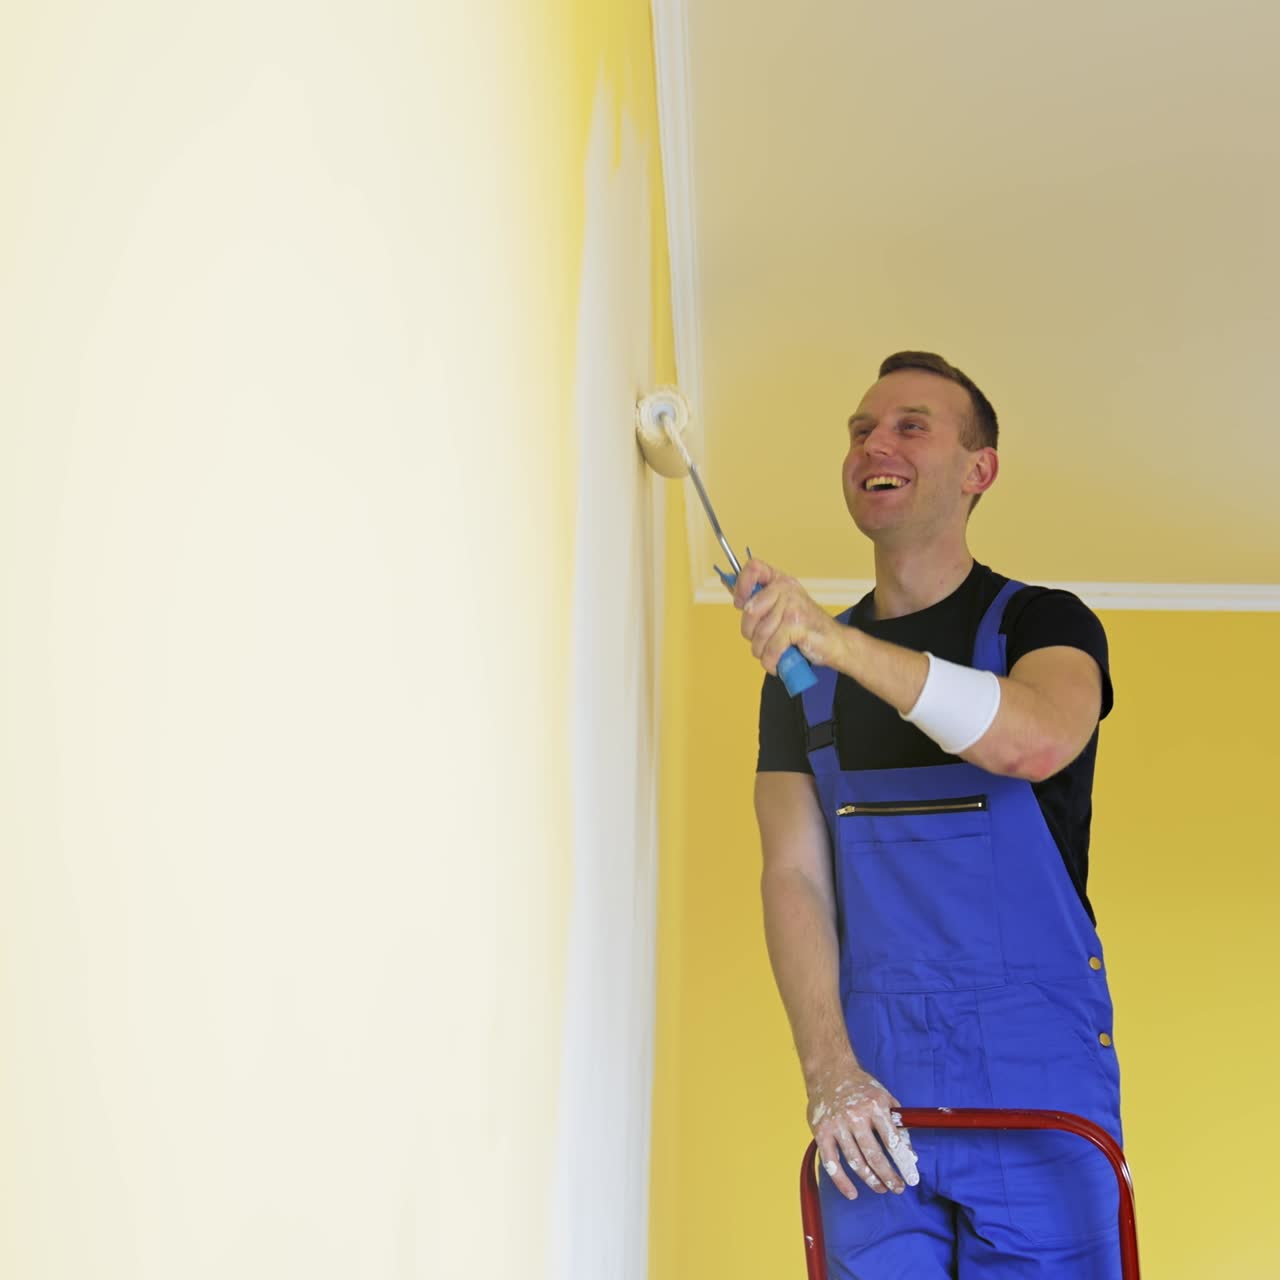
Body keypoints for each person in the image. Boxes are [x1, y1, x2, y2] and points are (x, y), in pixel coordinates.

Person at [734, 352, 1123, 1278]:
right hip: (871, 1104)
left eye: (912, 425)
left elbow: (1033, 741)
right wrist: (829, 1073)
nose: (876, 442)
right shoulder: (801, 684)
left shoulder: (1045, 624)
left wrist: (834, 640)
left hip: (1041, 1098)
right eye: (862, 429)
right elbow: (790, 876)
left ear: (977, 469)